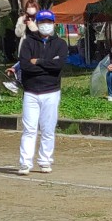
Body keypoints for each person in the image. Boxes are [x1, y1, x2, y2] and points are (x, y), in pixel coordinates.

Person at [17, 10, 67, 175]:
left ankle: (45, 161)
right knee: (29, 129)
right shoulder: (28, 42)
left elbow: (59, 66)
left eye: (49, 22)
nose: (46, 25)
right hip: (31, 92)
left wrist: (38, 61)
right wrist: (47, 66)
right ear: (37, 24)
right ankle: (25, 163)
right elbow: (25, 66)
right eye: (43, 22)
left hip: (51, 92)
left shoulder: (60, 44)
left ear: (54, 24)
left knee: (48, 129)